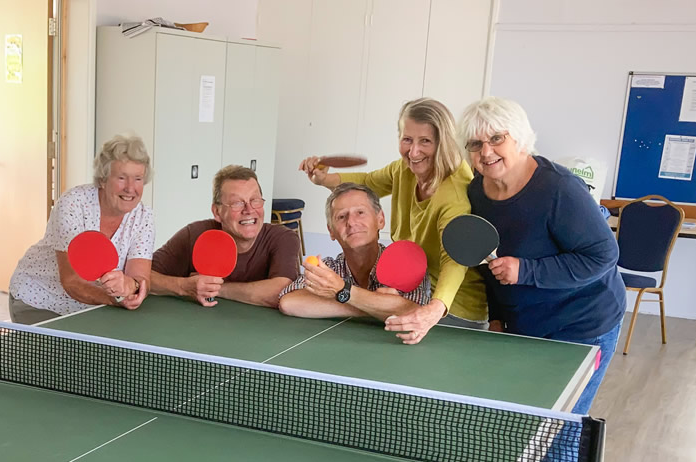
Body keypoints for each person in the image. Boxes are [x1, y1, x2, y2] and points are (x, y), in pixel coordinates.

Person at [457, 96, 626, 415]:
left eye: (496, 139)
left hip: (584, 322)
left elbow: (603, 255)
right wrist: (496, 316)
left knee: (560, 424)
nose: (486, 151)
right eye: (475, 143)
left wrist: (527, 270)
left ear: (519, 138)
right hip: (527, 324)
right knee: (523, 417)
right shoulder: (477, 192)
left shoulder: (559, 189)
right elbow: (487, 261)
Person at [300, 98, 486, 344]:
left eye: (425, 141)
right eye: (407, 139)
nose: (414, 151)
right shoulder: (404, 169)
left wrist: (434, 310)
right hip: (418, 296)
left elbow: (454, 260)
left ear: (443, 143)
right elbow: (369, 182)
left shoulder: (454, 193)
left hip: (454, 310)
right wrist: (324, 179)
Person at [9, 134, 155, 324]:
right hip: (39, 299)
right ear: (103, 179)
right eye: (121, 178)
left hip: (91, 306)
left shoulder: (144, 216)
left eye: (138, 179)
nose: (130, 188)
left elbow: (141, 276)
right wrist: (116, 299)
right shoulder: (73, 204)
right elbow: (72, 281)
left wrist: (132, 286)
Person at [150, 165, 299, 308]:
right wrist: (183, 286)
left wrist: (216, 289)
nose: (249, 210)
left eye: (255, 200)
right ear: (217, 212)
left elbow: (281, 291)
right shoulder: (194, 235)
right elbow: (142, 276)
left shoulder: (283, 238)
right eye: (237, 203)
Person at [279, 183, 430, 319]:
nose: (351, 222)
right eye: (342, 216)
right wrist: (374, 306)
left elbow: (416, 311)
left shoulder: (406, 265)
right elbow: (289, 302)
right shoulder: (330, 269)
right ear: (331, 231)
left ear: (380, 220)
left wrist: (340, 290)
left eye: (360, 213)